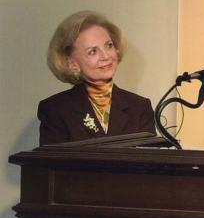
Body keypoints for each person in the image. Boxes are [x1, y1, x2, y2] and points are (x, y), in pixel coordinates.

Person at [39, 11, 155, 145]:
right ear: (71, 62)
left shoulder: (139, 107)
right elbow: (52, 165)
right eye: (93, 51)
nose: (106, 56)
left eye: (109, 45)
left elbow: (148, 163)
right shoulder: (56, 110)